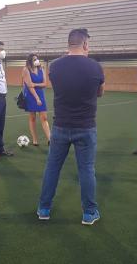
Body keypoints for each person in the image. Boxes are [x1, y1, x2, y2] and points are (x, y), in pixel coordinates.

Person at [37, 28, 105, 226]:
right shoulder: (95, 67)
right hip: (85, 126)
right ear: (85, 44)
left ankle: (44, 208)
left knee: (52, 168)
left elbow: (57, 86)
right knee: (86, 170)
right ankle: (89, 213)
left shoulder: (55, 67)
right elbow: (100, 92)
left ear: (69, 44)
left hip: (60, 126)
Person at [21, 53, 51, 146]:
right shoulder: (26, 70)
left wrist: (36, 85)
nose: (36, 61)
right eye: (34, 59)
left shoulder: (41, 69)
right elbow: (30, 86)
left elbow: (45, 84)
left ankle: (50, 139)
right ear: (30, 61)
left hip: (40, 94)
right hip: (31, 95)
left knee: (44, 117)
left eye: (37, 59)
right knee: (32, 117)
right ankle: (34, 139)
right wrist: (37, 98)